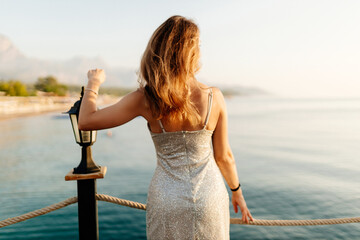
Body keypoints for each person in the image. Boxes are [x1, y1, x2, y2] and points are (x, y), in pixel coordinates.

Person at [78, 15, 253, 240]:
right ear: (193, 52)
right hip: (210, 196)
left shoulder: (146, 99)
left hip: (166, 197)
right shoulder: (214, 97)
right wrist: (237, 192)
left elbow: (86, 121)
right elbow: (225, 157)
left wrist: (93, 83)